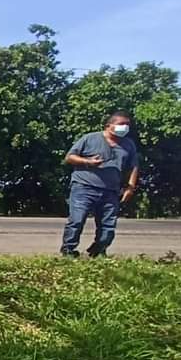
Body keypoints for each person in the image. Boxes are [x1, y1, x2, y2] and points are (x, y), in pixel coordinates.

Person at [60, 110, 140, 258]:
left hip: (111, 191)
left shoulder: (128, 145)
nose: (125, 127)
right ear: (109, 125)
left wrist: (130, 187)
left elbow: (133, 166)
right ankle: (68, 251)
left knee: (108, 226)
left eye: (128, 125)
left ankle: (98, 251)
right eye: (121, 124)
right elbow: (69, 157)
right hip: (84, 187)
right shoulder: (90, 138)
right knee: (77, 220)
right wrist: (88, 162)